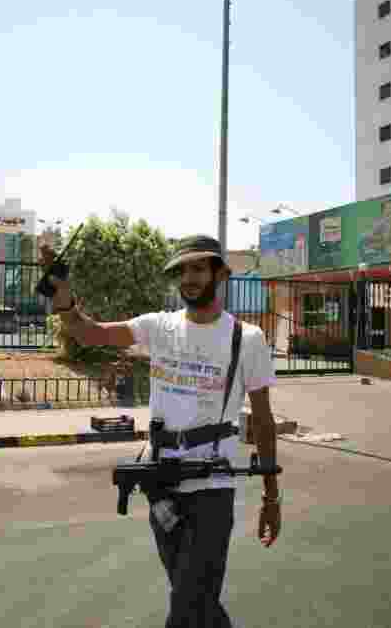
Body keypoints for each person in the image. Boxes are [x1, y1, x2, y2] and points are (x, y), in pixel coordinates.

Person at [42, 234, 281, 628]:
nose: (189, 277)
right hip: (161, 487)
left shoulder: (247, 339)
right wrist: (64, 297)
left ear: (219, 274)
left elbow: (264, 421)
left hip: (211, 490)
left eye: (199, 268)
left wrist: (271, 497)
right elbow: (89, 332)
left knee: (187, 604)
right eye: (183, 270)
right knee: (197, 602)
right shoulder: (158, 327)